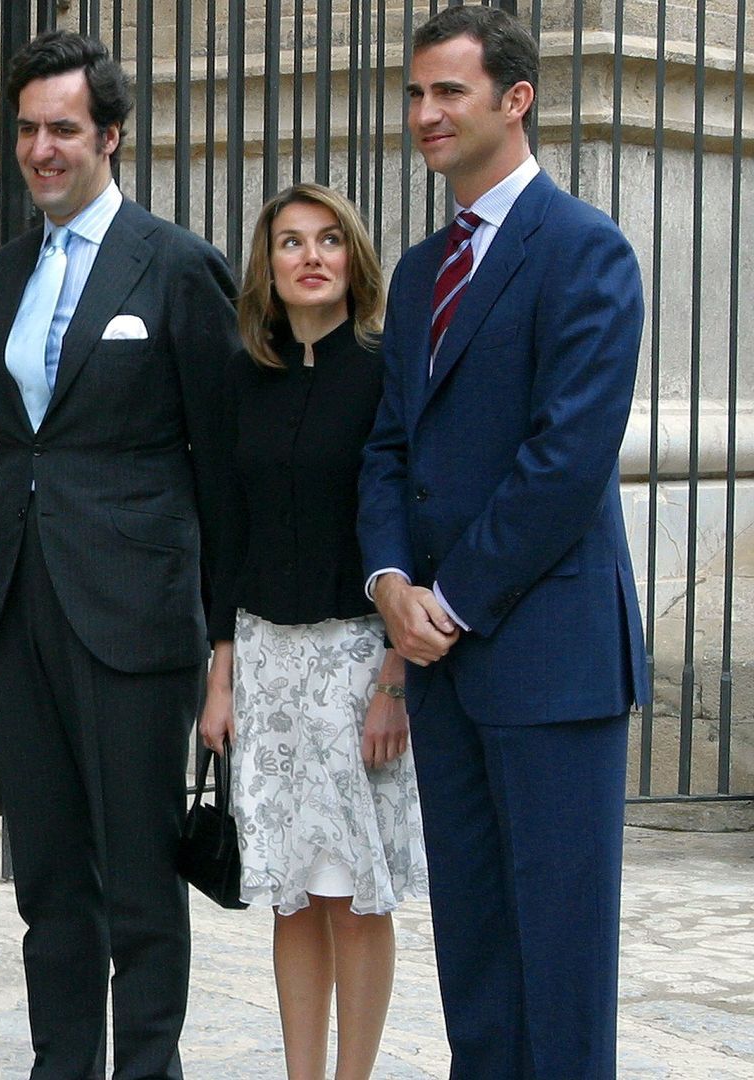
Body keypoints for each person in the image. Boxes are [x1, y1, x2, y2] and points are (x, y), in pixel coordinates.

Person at [358, 7, 648, 1078]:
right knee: (477, 961)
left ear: (514, 100)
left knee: (560, 969)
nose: (424, 113)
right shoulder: (421, 265)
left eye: (448, 92)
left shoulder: (587, 252)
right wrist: (390, 582)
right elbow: (390, 446)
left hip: (548, 657)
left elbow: (566, 461)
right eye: (415, 93)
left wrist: (451, 599)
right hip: (443, 664)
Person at [0, 29, 239, 1079]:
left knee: (136, 876)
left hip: (135, 614)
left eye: (64, 129)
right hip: (23, 600)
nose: (42, 148)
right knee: (46, 878)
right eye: (29, 128)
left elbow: (222, 467)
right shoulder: (3, 270)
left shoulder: (175, 266)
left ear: (111, 136)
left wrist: (226, 642)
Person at [198, 184, 428, 1080]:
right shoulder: (239, 376)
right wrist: (221, 677)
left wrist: (393, 681)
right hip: (265, 660)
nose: (311, 256)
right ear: (268, 264)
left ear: (354, 257)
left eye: (329, 239)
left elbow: (409, 528)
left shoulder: (382, 372)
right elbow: (226, 529)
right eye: (291, 242)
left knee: (356, 899)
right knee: (292, 897)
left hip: (354, 660)